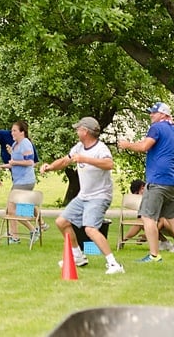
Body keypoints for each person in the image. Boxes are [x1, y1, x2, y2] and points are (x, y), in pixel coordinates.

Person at [40, 117, 124, 275]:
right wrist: (50, 167)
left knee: (90, 229)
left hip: (100, 196)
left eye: (78, 129)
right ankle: (77, 256)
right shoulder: (79, 147)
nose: (76, 131)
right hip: (84, 196)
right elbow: (65, 161)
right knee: (61, 222)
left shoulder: (101, 148)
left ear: (85, 131)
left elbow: (109, 164)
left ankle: (114, 264)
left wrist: (85, 159)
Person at [117, 102, 174, 262]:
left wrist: (126, 145)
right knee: (171, 217)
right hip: (173, 180)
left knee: (147, 217)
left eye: (154, 113)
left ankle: (154, 255)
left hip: (158, 179)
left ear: (164, 115)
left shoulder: (157, 128)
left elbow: (145, 146)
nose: (151, 115)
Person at [121, 179, 174, 252]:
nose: (138, 197)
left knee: (164, 220)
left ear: (143, 188)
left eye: (138, 194)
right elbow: (138, 223)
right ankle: (165, 243)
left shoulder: (158, 194)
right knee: (145, 220)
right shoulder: (148, 200)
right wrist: (123, 240)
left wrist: (148, 235)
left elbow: (163, 220)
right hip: (170, 223)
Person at [5, 120, 40, 245]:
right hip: (19, 180)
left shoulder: (25, 144)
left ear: (22, 132)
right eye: (12, 130)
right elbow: (14, 163)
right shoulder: (15, 144)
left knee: (11, 208)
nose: (12, 132)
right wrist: (2, 166)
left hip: (25, 180)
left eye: (14, 130)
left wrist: (14, 163)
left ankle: (22, 233)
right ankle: (16, 235)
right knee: (12, 209)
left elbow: (30, 162)